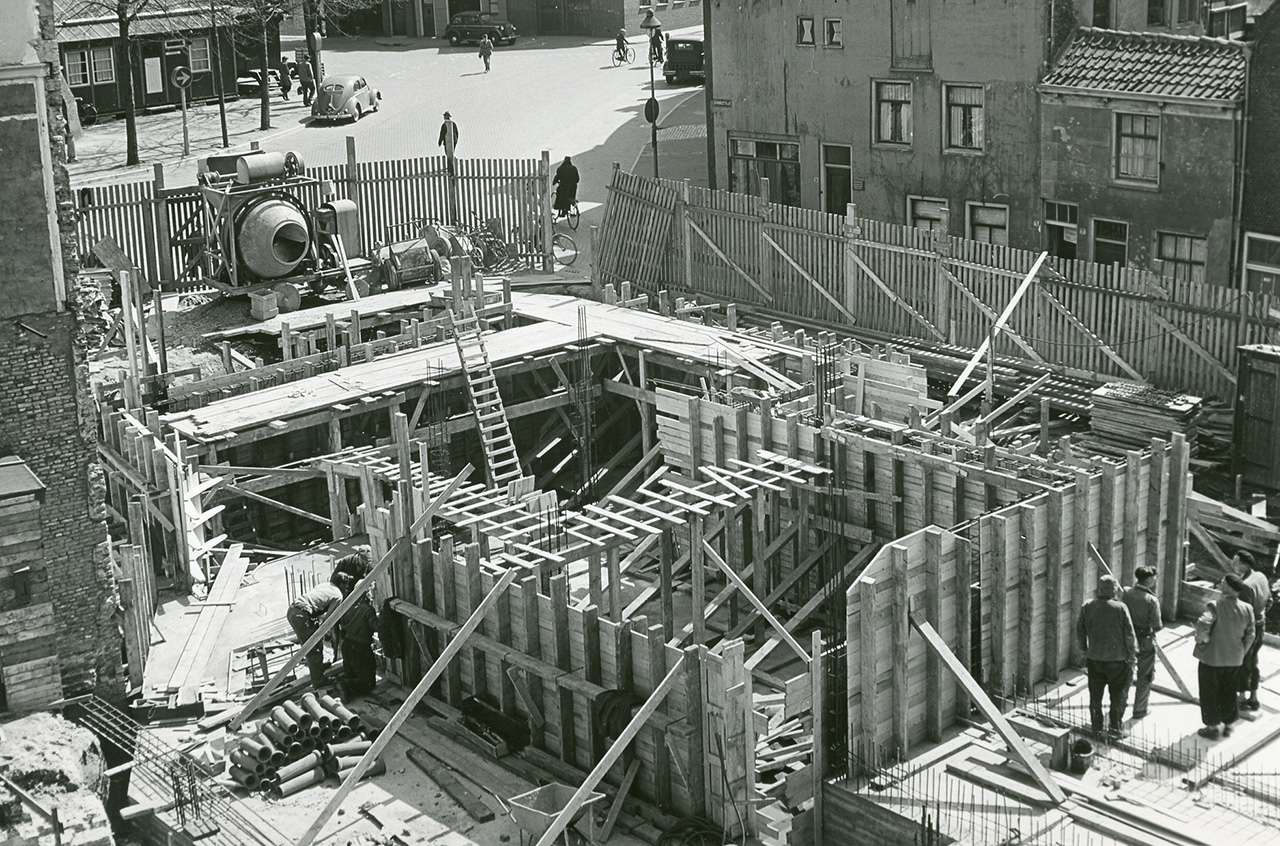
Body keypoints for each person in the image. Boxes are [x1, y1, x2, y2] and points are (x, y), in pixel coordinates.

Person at [1195, 574, 1255, 739]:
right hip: (1235, 659)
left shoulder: (1215, 605)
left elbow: (1203, 624)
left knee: (1209, 692)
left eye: (1222, 582)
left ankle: (1212, 727)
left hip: (1212, 658)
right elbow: (1251, 634)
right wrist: (1241, 652)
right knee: (1229, 691)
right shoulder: (1247, 608)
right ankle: (1229, 725)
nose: (1220, 584)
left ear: (1228, 586)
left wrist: (1203, 640)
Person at [1077, 575, 1137, 739]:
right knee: (1118, 697)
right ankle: (1115, 730)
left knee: (1095, 697)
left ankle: (1096, 730)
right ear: (1114, 590)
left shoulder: (1088, 606)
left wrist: (1084, 651)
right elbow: (1130, 636)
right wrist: (1132, 656)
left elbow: (1080, 631)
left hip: (1095, 660)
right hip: (1118, 662)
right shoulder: (1121, 608)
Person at [286, 572, 354, 688]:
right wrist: (326, 632)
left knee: (314, 644)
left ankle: (318, 668)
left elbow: (317, 603)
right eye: (346, 584)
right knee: (314, 649)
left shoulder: (325, 585)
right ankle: (318, 680)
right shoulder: (338, 595)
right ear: (341, 584)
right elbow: (330, 618)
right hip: (302, 615)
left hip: (293, 611)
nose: (346, 587)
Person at [1121, 566, 1163, 720]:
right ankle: (1139, 710)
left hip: (1127, 640)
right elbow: (1157, 625)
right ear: (1149, 579)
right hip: (1145, 641)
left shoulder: (1126, 593)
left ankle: (1120, 706)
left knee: (1125, 673)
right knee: (1144, 676)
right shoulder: (1151, 600)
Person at [1236, 551, 1271, 711]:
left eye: (1235, 562)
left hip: (1249, 630)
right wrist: (1260, 616)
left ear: (1244, 565)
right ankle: (1254, 697)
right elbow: (1269, 601)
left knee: (1243, 662)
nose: (1233, 565)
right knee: (1253, 661)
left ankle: (1242, 697)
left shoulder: (1245, 586)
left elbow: (1244, 614)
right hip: (1261, 625)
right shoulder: (1261, 577)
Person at [340, 585, 379, 699]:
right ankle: (346, 685)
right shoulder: (367, 609)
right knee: (369, 682)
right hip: (359, 648)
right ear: (367, 594)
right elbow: (377, 626)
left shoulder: (349, 608)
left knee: (351, 674)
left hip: (346, 646)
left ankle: (344, 684)